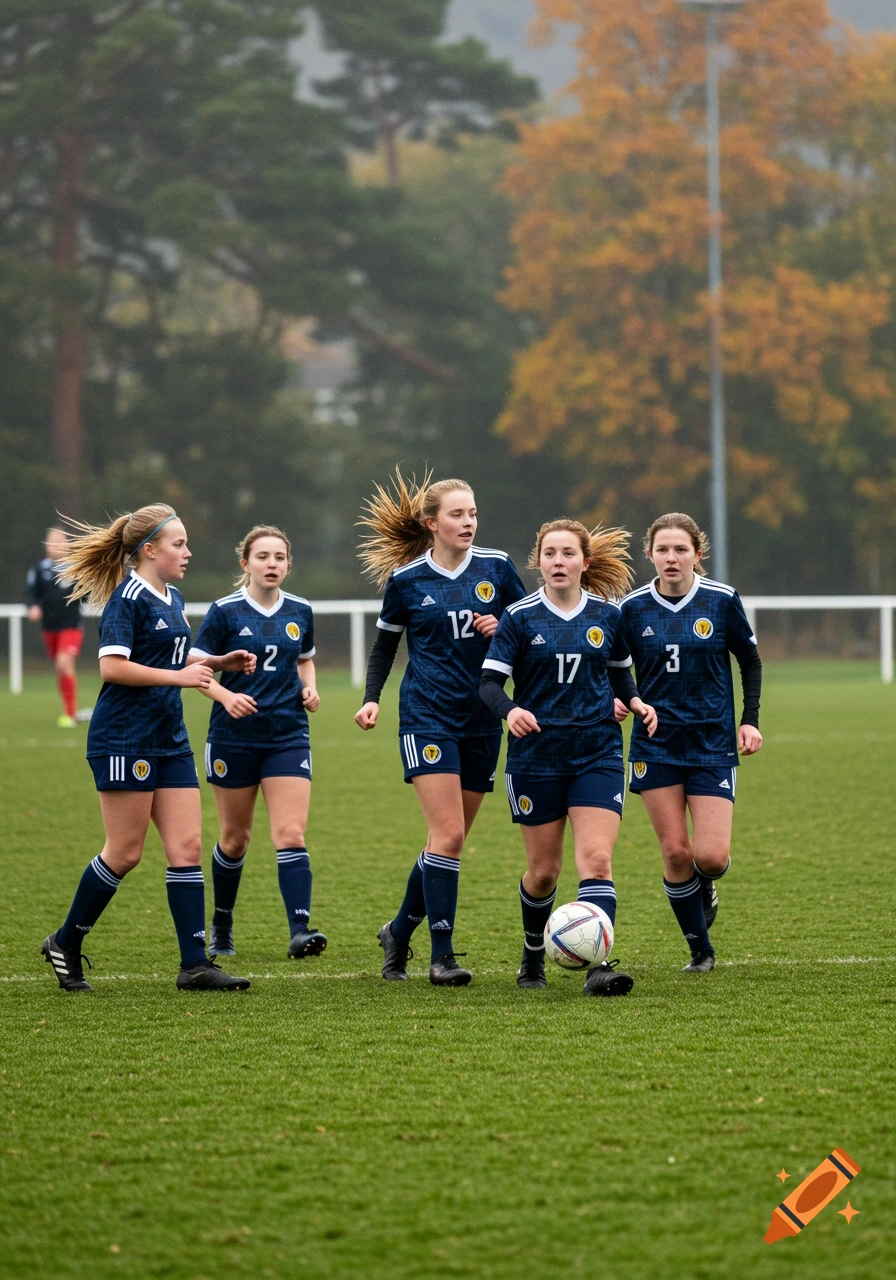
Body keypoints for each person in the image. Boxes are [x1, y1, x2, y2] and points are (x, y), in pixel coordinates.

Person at [40, 503, 254, 993]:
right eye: (178, 544)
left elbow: (176, 653)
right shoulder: (126, 598)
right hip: (123, 737)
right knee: (125, 852)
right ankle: (66, 941)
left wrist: (218, 659)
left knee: (187, 847)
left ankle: (195, 964)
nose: (187, 551)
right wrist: (179, 677)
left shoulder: (171, 596)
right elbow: (113, 667)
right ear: (149, 549)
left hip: (169, 739)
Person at [354, 470, 527, 986]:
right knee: (448, 835)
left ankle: (399, 929)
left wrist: (504, 630)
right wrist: (370, 700)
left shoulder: (497, 569)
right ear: (432, 523)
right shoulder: (407, 581)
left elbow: (528, 630)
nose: (468, 522)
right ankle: (442, 956)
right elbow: (386, 646)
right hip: (427, 717)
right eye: (457, 514)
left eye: (473, 513)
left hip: (484, 718)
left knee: (444, 841)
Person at [479, 519, 657, 995]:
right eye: (550, 554)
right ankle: (533, 951)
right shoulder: (519, 617)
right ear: (537, 562)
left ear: (585, 562)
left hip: (596, 751)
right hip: (536, 758)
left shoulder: (608, 615)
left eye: (568, 554)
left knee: (597, 861)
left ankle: (599, 965)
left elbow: (620, 676)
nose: (559, 562)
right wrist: (512, 710)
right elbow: (489, 684)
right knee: (543, 874)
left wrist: (636, 702)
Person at [619, 513, 762, 973]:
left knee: (711, 857)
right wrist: (620, 700)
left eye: (681, 549)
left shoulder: (721, 601)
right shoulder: (632, 608)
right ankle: (700, 950)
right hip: (655, 744)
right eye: (663, 549)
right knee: (676, 852)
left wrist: (749, 720)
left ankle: (707, 883)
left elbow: (750, 660)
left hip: (711, 742)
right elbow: (612, 666)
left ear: (697, 554)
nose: (671, 557)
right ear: (650, 555)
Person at [190, 525, 324, 960]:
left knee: (291, 832)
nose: (272, 564)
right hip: (233, 740)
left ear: (288, 564)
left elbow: (304, 660)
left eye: (280, 557)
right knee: (235, 838)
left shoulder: (300, 610)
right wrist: (226, 697)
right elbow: (198, 670)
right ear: (245, 563)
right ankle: (222, 923)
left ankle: (299, 930)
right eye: (263, 557)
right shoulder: (225, 612)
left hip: (288, 735)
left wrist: (310, 690)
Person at [26, 527, 86, 727]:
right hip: (49, 627)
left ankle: (70, 714)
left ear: (67, 545)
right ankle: (70, 711)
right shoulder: (40, 569)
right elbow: (33, 594)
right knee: (61, 669)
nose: (55, 546)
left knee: (63, 664)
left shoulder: (75, 568)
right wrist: (33, 607)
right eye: (51, 541)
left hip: (71, 625)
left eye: (60, 541)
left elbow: (86, 594)